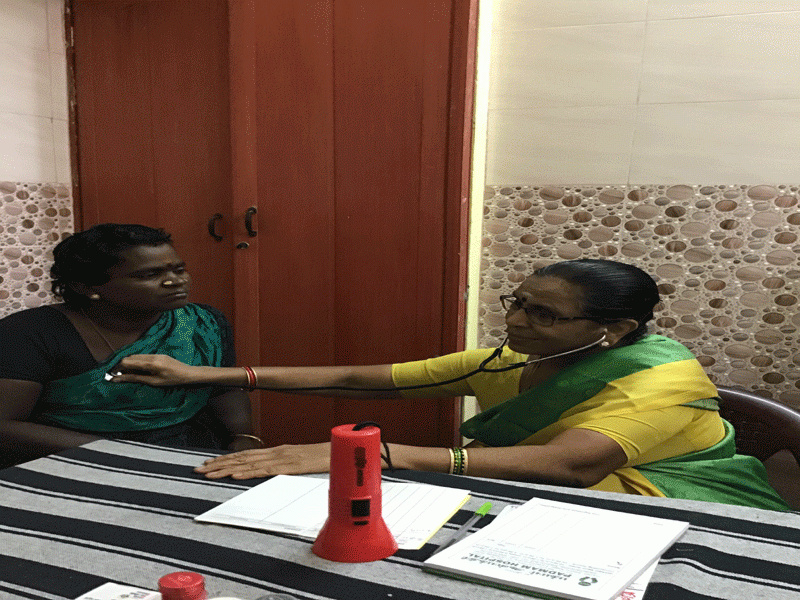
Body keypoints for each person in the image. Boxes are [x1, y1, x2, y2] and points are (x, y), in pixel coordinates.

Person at [111, 259, 790, 511]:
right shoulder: (510, 358)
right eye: (517, 303)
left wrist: (381, 455)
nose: (515, 321)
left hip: (676, 500)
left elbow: (572, 465)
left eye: (542, 315)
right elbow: (368, 380)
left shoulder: (662, 377)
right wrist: (205, 374)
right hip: (555, 497)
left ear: (612, 331)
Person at [0, 223, 261, 466]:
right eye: (149, 274)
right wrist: (129, 454)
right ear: (86, 286)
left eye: (179, 270)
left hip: (193, 453)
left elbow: (223, 389)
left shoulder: (202, 323)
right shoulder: (29, 332)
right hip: (77, 458)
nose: (176, 281)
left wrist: (243, 437)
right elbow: (5, 426)